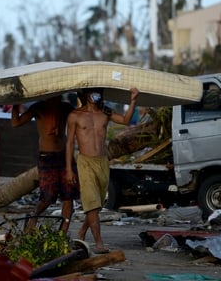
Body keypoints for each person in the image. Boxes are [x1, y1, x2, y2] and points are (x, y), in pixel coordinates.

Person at [66, 87, 139, 253]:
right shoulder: (75, 115)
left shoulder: (105, 112)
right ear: (84, 94)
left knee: (96, 204)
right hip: (85, 162)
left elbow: (126, 120)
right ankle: (99, 243)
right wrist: (69, 169)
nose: (96, 94)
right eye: (92, 91)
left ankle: (82, 231)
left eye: (98, 91)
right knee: (91, 202)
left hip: (102, 162)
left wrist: (133, 100)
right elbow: (69, 143)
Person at [11, 96, 80, 234]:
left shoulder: (65, 108)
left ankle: (63, 232)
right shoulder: (38, 107)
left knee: (68, 196)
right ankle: (33, 219)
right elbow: (15, 123)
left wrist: (82, 96)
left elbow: (81, 115)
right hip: (46, 157)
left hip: (64, 155)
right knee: (47, 197)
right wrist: (15, 103)